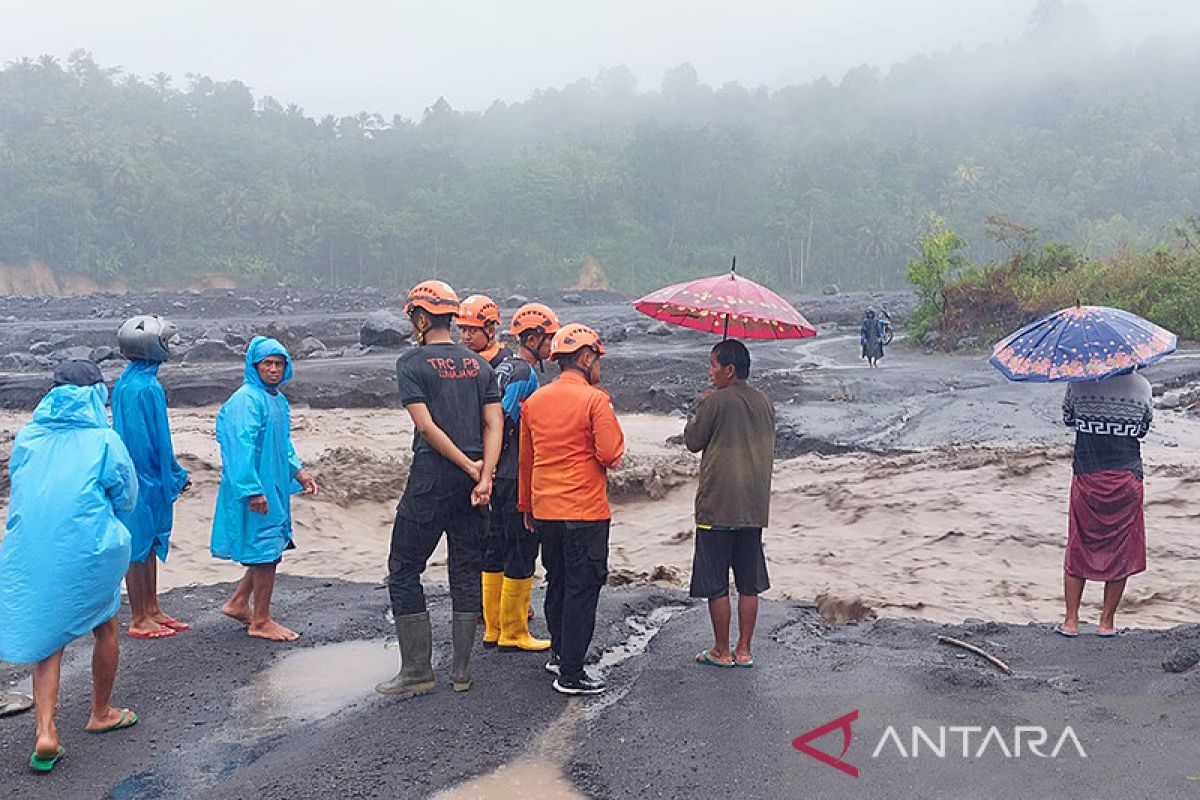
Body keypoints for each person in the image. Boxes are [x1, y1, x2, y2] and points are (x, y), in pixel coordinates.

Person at [0, 361, 140, 773]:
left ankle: (46, 731)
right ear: (97, 396)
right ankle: (101, 712)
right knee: (106, 626)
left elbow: (19, 484)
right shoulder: (104, 440)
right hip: (88, 546)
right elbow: (125, 495)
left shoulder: (29, 436)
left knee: (47, 639)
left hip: (32, 548)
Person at [377, 280, 503, 696]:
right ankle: (462, 673)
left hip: (432, 478)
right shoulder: (480, 366)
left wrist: (467, 464)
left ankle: (417, 670)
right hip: (473, 486)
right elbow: (494, 423)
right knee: (465, 570)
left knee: (404, 569)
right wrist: (484, 475)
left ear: (420, 317)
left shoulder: (411, 364)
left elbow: (426, 426)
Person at [520, 324, 624, 695]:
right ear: (584, 358)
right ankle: (572, 674)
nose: (599, 366)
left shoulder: (534, 402)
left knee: (558, 582)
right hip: (584, 510)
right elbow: (610, 455)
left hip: (546, 508)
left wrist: (527, 506)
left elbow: (526, 462)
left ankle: (559, 655)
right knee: (583, 588)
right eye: (596, 358)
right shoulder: (596, 400)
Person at [211, 337, 317, 642]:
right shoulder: (246, 401)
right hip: (255, 487)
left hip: (273, 484)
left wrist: (298, 473)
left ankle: (239, 602)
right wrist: (251, 490)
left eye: (279, 363)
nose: (273, 369)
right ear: (253, 366)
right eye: (267, 364)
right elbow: (238, 448)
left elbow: (282, 445)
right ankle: (261, 620)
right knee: (266, 549)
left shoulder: (276, 399)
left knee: (269, 547)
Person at [684, 340, 776, 668]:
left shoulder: (715, 403)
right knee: (749, 582)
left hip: (717, 506)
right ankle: (744, 650)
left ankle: (721, 651)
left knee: (716, 581)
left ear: (730, 370)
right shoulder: (765, 402)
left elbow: (693, 442)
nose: (710, 372)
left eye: (713, 365)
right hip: (753, 506)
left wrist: (703, 405)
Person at [478, 303, 560, 652]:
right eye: (550, 338)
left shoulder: (502, 366)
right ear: (534, 337)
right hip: (514, 471)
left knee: (494, 546)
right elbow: (504, 417)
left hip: (495, 471)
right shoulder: (525, 373)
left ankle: (493, 628)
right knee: (521, 547)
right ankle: (514, 631)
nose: (553, 346)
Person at [112, 315, 192, 640]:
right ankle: (138, 616)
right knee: (138, 544)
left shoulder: (141, 382)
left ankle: (152, 607)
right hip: (140, 477)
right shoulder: (138, 388)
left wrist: (171, 473)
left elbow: (159, 439)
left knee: (150, 542)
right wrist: (162, 475)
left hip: (150, 476)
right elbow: (141, 442)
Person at [1058, 371, 1153, 638]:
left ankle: (1071, 621)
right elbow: (1143, 429)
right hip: (1126, 478)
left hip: (1088, 475)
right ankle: (1106, 623)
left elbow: (1068, 419)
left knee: (1079, 545)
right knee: (1121, 550)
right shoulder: (1142, 386)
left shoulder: (1078, 382)